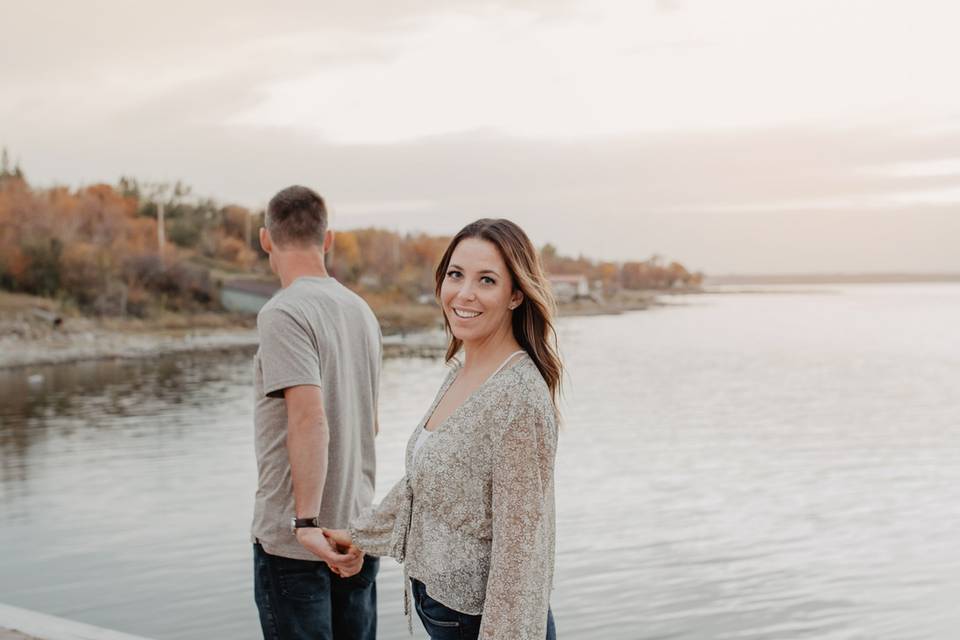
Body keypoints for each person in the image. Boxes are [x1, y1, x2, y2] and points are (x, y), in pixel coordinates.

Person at [325, 218, 562, 640]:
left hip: (483, 624)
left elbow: (520, 552)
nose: (464, 293)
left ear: (515, 296)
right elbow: (427, 481)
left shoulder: (518, 398)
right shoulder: (461, 370)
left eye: (486, 280)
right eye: (456, 275)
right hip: (441, 610)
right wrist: (361, 535)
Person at [251, 185, 382, 640]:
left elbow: (309, 418)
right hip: (356, 530)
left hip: (298, 544)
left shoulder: (283, 312)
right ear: (327, 240)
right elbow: (371, 424)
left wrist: (305, 524)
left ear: (266, 239)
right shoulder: (361, 311)